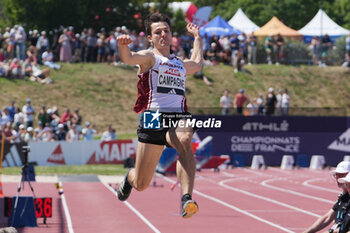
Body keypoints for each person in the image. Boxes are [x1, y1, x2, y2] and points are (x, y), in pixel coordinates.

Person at [116, 13, 202, 218]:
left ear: (171, 34)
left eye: (166, 30)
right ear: (150, 37)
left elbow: (197, 64)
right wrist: (123, 45)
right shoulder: (149, 57)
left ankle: (186, 199)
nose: (163, 34)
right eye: (158, 32)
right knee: (142, 183)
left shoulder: (179, 63)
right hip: (153, 118)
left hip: (177, 117)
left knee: (185, 139)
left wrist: (197, 39)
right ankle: (129, 178)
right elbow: (128, 58)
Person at [303, 161, 350, 233]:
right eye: (336, 175)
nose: (337, 178)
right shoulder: (343, 197)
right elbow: (327, 218)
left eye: (341, 175)